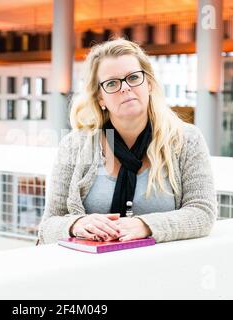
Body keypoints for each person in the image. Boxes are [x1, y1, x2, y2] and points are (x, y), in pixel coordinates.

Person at [37, 38, 217, 245]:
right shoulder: (74, 146)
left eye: (133, 77)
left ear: (148, 83)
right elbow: (48, 224)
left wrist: (146, 225)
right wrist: (76, 224)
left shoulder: (186, 139)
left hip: (162, 271)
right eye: (112, 83)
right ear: (100, 98)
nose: (125, 88)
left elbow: (203, 213)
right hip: (91, 272)